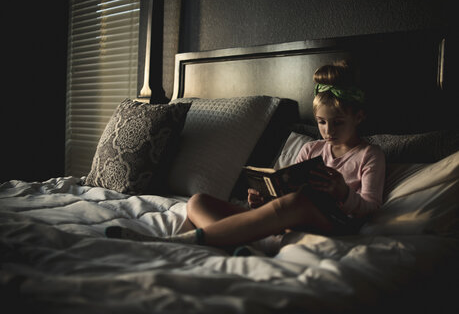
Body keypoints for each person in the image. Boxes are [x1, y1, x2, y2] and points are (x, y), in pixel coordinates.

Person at [105, 61, 386, 255]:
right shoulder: (312, 149)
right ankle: (239, 244)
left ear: (359, 117)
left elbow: (370, 206)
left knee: (301, 200)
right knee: (198, 201)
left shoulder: (369, 155)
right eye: (321, 122)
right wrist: (266, 198)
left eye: (337, 123)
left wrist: (343, 192)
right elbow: (284, 191)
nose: (327, 131)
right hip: (291, 215)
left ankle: (179, 241)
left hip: (333, 222)